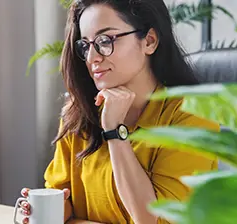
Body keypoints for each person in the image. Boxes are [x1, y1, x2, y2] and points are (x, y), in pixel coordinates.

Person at [18, 0, 219, 223]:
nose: (92, 58)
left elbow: (153, 220)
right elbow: (61, 196)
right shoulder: (79, 114)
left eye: (105, 41)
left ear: (149, 41)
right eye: (86, 45)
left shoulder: (193, 116)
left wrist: (114, 131)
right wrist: (46, 209)